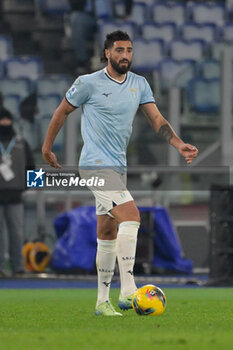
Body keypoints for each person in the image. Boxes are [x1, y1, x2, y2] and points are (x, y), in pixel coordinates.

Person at [42, 30, 198, 316]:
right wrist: (47, 147)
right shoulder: (87, 83)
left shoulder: (139, 84)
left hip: (117, 167)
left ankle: (102, 301)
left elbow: (156, 119)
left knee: (107, 231)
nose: (125, 55)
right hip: (94, 165)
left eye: (129, 50)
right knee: (132, 216)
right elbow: (61, 111)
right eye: (119, 50)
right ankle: (128, 290)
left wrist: (178, 144)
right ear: (107, 53)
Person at [0, 107, 35, 277]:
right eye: (2, 120)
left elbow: (32, 166)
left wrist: (27, 188)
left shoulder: (21, 142)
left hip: (16, 194)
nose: (5, 123)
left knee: (17, 232)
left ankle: (18, 266)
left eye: (7, 120)